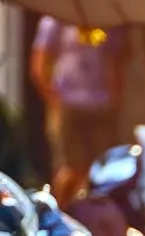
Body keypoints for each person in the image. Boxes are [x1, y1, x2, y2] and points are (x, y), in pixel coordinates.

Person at [29, 18, 129, 206]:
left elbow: (117, 59)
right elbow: (39, 63)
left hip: (101, 105)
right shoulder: (54, 21)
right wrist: (53, 100)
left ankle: (95, 217)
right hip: (68, 103)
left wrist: (115, 97)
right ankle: (61, 212)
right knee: (70, 167)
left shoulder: (107, 21)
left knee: (101, 171)